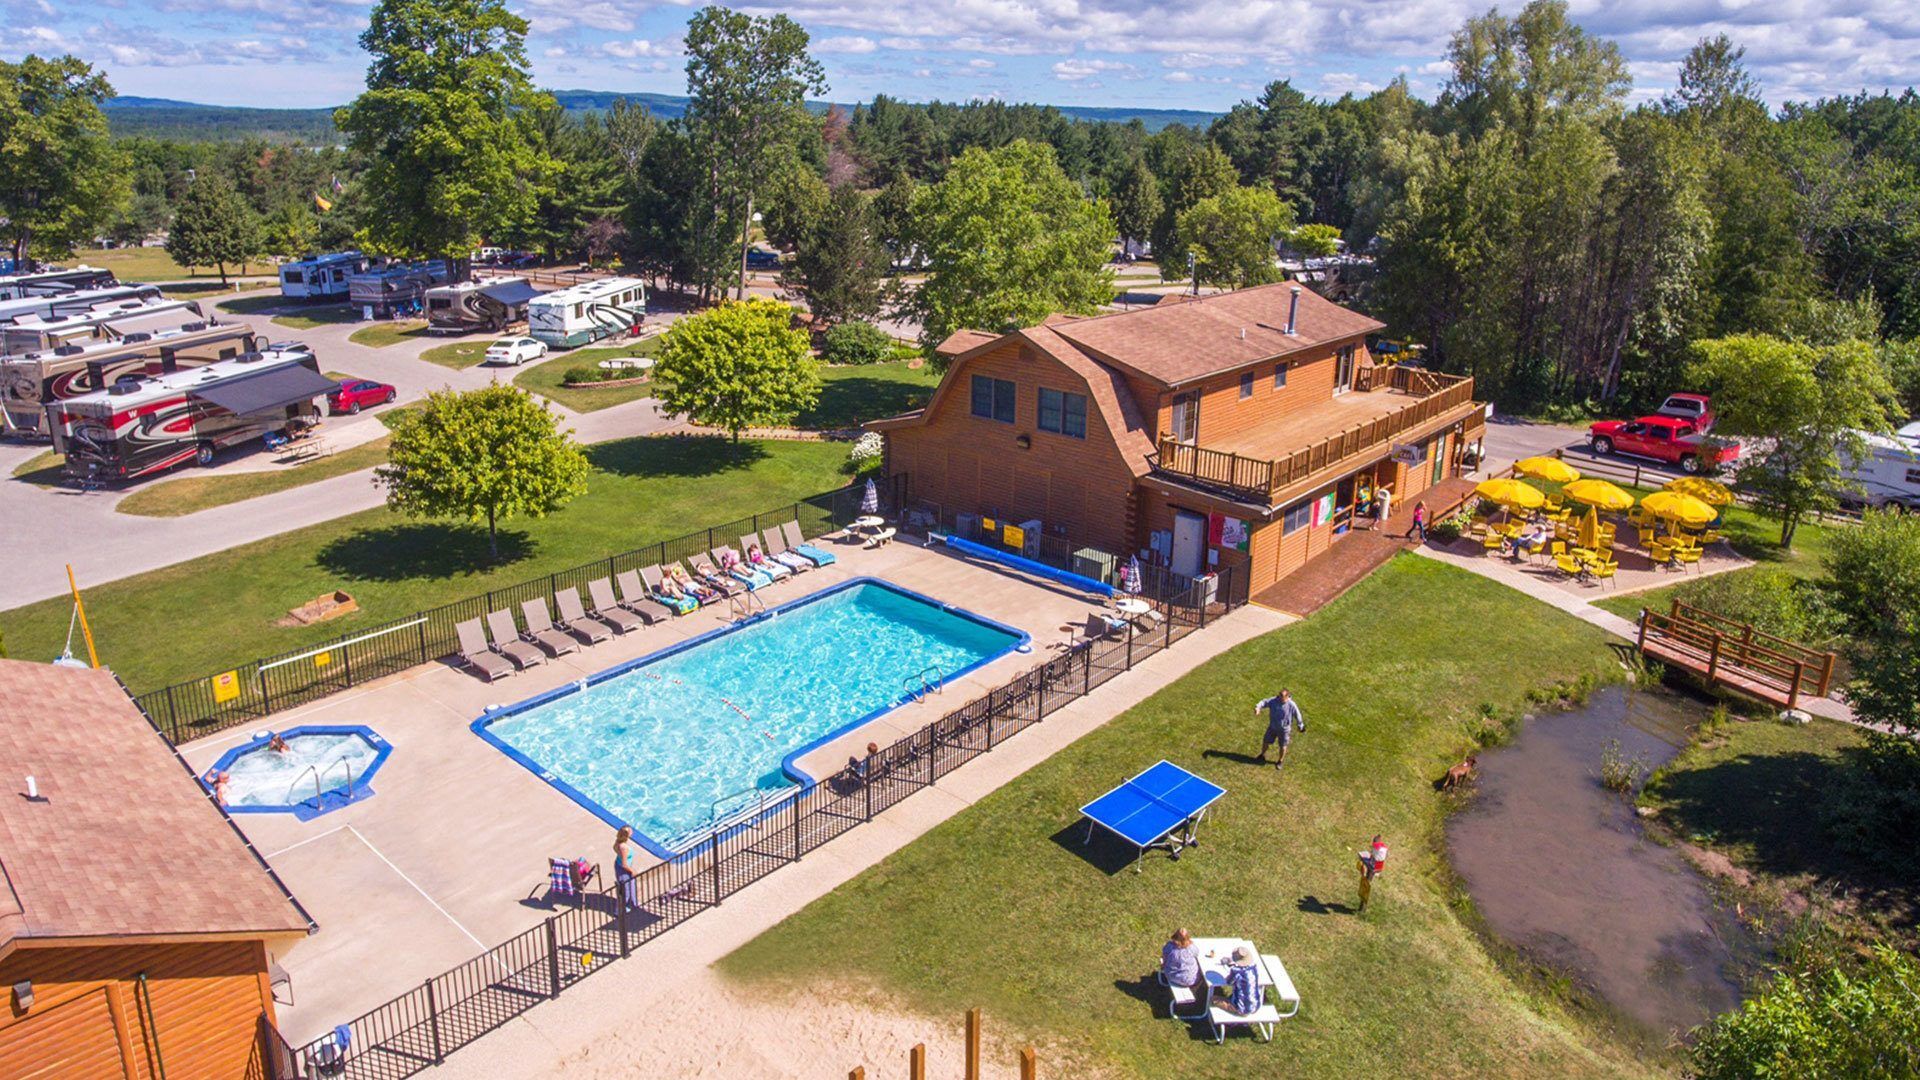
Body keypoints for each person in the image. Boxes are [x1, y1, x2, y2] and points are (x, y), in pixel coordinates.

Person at [1253, 689, 1306, 770]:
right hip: (1272, 727)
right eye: (1279, 696)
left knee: (1283, 746)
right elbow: (1264, 702)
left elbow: (1298, 715)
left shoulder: (1291, 705)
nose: (1280, 699)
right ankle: (1262, 755)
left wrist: (1300, 725)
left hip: (1284, 730)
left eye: (1282, 697)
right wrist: (1258, 707)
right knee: (1265, 741)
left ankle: (1280, 761)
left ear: (1287, 697)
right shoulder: (1274, 700)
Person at [1159, 928, 1205, 1009]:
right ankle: (1198, 990)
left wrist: (1163, 966)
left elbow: (1164, 957)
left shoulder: (1169, 946)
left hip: (1173, 977)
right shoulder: (1191, 948)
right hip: (1191, 979)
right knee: (1201, 970)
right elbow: (1197, 953)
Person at [1212, 944, 1263, 1016]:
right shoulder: (1253, 968)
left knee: (1213, 999)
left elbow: (1228, 982)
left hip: (1240, 1009)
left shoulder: (1236, 971)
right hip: (1255, 1006)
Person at [1357, 834, 1389, 912]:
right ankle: (1362, 907)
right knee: (1366, 882)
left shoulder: (1381, 850)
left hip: (1376, 865)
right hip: (1374, 863)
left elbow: (1377, 855)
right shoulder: (1378, 848)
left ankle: (1362, 907)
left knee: (1367, 883)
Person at [613, 825, 639, 912]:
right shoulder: (624, 847)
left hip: (619, 865)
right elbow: (624, 864)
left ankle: (633, 905)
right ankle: (619, 910)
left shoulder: (618, 842)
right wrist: (632, 870)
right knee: (625, 891)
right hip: (624, 870)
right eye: (630, 831)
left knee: (630, 888)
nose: (632, 831)